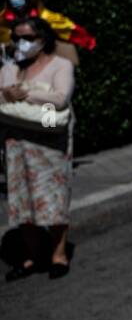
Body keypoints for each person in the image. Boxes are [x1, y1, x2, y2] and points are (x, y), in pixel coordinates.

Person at [0, 17, 75, 280]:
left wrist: (24, 94)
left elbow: (60, 98)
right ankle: (32, 255)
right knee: (22, 201)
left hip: (48, 144)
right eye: (16, 36)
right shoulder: (9, 68)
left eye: (28, 37)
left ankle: (58, 254)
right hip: (17, 143)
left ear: (42, 40)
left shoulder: (60, 65)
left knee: (53, 198)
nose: (21, 42)